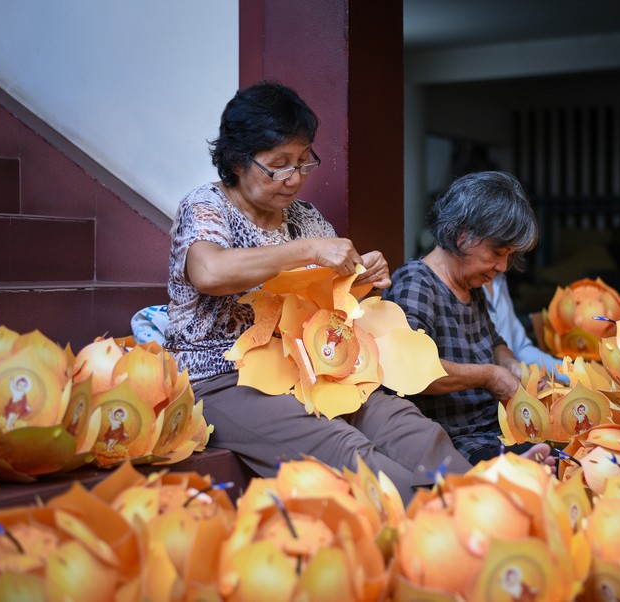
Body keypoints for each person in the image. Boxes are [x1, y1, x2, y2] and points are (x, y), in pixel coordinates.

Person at [163, 81, 470, 503]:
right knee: (344, 450)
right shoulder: (207, 206)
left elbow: (327, 304)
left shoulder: (303, 217)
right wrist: (307, 250)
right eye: (279, 164)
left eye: (303, 162)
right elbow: (209, 271)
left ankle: (486, 501)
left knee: (405, 423)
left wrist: (360, 280)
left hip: (306, 371)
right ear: (237, 161)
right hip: (220, 378)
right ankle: (438, 528)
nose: (293, 178)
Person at [383, 171, 553, 463]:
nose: (502, 266)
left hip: (491, 428)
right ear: (463, 237)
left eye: (509, 255)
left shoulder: (471, 285)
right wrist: (489, 376)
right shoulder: (416, 282)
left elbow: (494, 341)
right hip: (450, 439)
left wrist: (511, 365)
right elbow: (410, 370)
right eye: (497, 252)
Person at [482, 273, 568, 383]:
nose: (503, 266)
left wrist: (572, 372)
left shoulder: (499, 279)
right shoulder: (465, 288)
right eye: (497, 254)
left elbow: (520, 347)